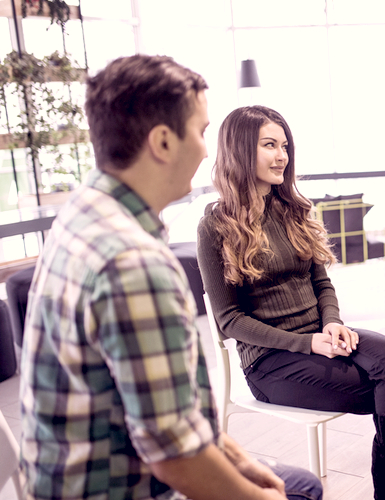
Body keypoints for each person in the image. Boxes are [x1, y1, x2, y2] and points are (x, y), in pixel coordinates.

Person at [19, 55, 322, 500]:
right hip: (120, 487)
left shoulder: (82, 214)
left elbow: (168, 417)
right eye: (200, 133)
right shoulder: (134, 263)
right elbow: (175, 457)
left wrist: (236, 459)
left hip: (64, 476)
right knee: (298, 492)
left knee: (295, 482)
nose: (206, 150)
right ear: (162, 141)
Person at [196, 105, 385, 500]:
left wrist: (332, 322)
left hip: (321, 335)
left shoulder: (294, 210)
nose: (282, 155)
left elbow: (321, 282)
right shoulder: (216, 225)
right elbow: (228, 320)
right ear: (239, 151)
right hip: (270, 362)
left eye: (284, 145)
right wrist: (307, 343)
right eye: (270, 145)